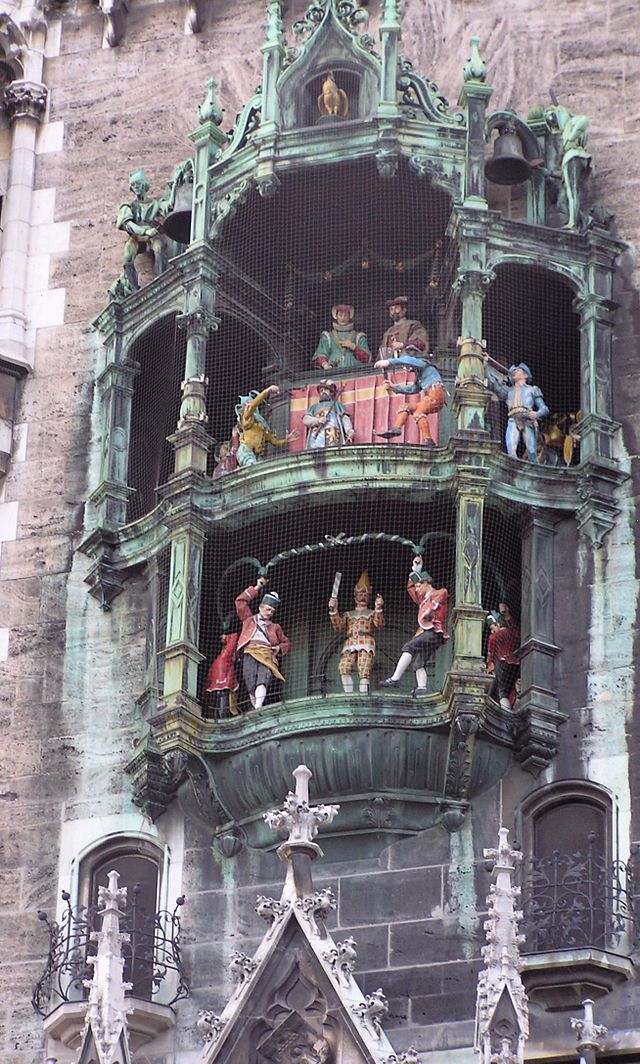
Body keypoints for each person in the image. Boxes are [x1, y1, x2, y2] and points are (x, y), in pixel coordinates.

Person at [381, 556, 449, 695]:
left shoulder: (438, 592)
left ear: (426, 583)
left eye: (419, 586)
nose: (417, 589)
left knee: (409, 646)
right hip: (429, 634)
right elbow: (410, 588)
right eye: (417, 586)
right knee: (419, 663)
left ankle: (395, 678)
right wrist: (416, 569)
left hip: (433, 632)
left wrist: (429, 611)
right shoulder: (422, 600)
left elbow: (437, 602)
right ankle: (422, 688)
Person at [374, 339, 446, 447]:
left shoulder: (423, 363)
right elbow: (414, 388)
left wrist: (390, 361)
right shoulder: (421, 373)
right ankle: (396, 428)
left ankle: (428, 440)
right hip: (431, 397)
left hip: (435, 394)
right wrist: (395, 388)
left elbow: (410, 360)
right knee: (405, 406)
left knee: (418, 413)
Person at [235, 577, 290, 709]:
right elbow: (240, 602)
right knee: (250, 680)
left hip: (267, 654)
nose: (270, 613)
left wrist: (277, 648)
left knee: (263, 679)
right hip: (250, 652)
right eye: (267, 609)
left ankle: (258, 706)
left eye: (272, 611)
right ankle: (255, 705)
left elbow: (286, 642)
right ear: (260, 607)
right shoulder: (248, 619)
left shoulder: (275, 627)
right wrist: (257, 587)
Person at [328, 572, 384, 695]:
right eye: (360, 593)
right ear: (355, 596)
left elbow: (379, 624)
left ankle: (363, 694)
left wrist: (378, 608)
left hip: (366, 641)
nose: (362, 596)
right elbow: (338, 627)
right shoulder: (349, 614)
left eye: (365, 593)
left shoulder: (371, 612)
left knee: (364, 668)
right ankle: (349, 694)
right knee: (343, 667)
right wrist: (333, 610)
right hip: (351, 641)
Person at [484, 359, 549, 463]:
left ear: (525, 375)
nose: (514, 371)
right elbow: (493, 384)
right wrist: (485, 364)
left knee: (532, 451)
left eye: (517, 370)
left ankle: (535, 470)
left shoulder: (532, 390)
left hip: (527, 420)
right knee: (511, 448)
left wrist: (536, 414)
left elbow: (545, 409)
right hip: (513, 420)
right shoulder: (508, 391)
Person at [117, 169, 169, 292]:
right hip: (136, 235)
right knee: (128, 255)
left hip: (153, 233)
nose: (136, 187)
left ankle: (161, 280)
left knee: (159, 249)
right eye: (133, 185)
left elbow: (168, 210)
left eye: (138, 184)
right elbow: (126, 223)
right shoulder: (129, 205)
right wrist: (144, 232)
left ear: (144, 185)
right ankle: (132, 287)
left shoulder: (156, 204)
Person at [235, 385, 298, 467]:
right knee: (252, 466)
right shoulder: (246, 418)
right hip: (246, 452)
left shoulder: (263, 428)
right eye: (246, 404)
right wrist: (267, 390)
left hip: (257, 456)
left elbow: (275, 442)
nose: (249, 406)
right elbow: (253, 406)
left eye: (249, 403)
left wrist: (286, 440)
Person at [312, 304, 371, 371]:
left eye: (346, 315)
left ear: (350, 317)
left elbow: (366, 358)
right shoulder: (328, 336)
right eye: (340, 315)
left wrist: (353, 346)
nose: (343, 318)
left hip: (354, 373)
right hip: (333, 374)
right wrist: (325, 364)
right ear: (336, 316)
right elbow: (320, 354)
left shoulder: (359, 337)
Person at [303, 379, 355, 449]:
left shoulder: (337, 405)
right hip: (317, 434)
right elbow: (305, 420)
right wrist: (317, 420)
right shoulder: (314, 407)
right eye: (321, 390)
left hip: (332, 433)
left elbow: (344, 418)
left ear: (331, 392)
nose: (323, 392)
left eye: (325, 390)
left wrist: (349, 430)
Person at [485, 610, 520, 711]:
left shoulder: (494, 637)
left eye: (493, 628)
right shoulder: (514, 632)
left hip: (502, 664)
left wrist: (489, 667)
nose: (492, 631)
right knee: (511, 689)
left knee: (502, 692)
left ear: (497, 624)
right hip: (516, 664)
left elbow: (490, 655)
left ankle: (506, 713)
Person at [204, 633, 239, 718]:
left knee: (217, 709)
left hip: (214, 691)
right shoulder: (225, 657)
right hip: (223, 686)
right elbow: (234, 638)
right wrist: (226, 638)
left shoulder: (215, 663)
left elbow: (208, 681)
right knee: (224, 710)